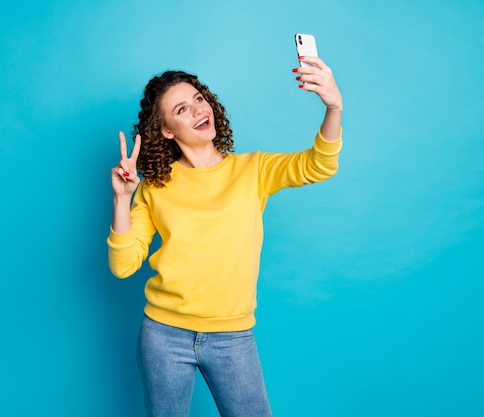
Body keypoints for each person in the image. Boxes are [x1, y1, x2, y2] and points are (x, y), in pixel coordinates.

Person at [107, 55, 343, 417]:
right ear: (167, 130)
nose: (198, 110)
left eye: (198, 99)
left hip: (232, 337)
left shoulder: (254, 170)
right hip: (164, 335)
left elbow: (319, 164)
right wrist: (122, 200)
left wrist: (333, 107)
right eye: (181, 109)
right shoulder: (155, 186)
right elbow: (123, 266)